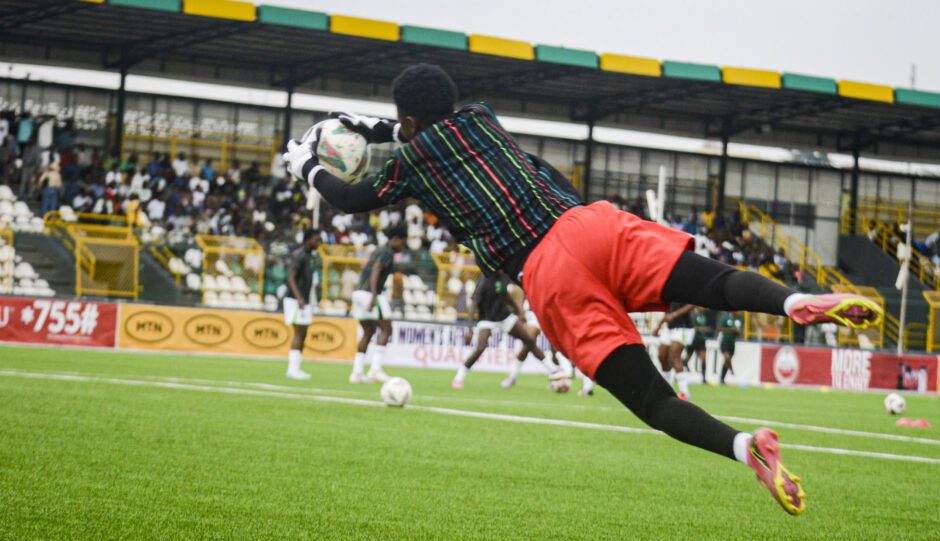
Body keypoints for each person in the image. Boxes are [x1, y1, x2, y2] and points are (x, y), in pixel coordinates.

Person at [284, 63, 882, 515]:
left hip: (550, 273)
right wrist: (354, 126)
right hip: (592, 223)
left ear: (409, 124)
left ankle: (745, 446)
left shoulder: (410, 162)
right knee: (718, 282)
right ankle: (793, 301)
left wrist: (305, 162)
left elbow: (350, 197)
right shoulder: (483, 119)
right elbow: (410, 129)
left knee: (654, 401)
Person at [455, 271, 564, 389]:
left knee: (529, 340)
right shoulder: (483, 280)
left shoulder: (504, 277)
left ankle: (553, 370)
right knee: (481, 347)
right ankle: (459, 377)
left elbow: (505, 296)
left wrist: (518, 311)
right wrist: (470, 329)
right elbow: (474, 304)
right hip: (487, 318)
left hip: (504, 317)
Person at [350, 224, 406, 384]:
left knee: (368, 332)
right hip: (370, 294)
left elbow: (366, 268)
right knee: (387, 328)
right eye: (402, 242)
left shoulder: (378, 250)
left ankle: (357, 373)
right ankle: (375, 370)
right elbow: (376, 269)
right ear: (395, 239)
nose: (402, 246)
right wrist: (374, 296)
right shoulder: (387, 252)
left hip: (359, 293)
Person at [283, 228, 322, 380]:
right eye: (317, 240)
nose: (320, 243)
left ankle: (296, 368)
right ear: (308, 239)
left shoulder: (311, 256)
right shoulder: (299, 255)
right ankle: (292, 369)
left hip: (305, 300)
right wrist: (299, 297)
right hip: (295, 299)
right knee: (299, 332)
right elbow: (291, 277)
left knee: (304, 332)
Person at [654, 303, 694, 399]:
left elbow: (692, 305)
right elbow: (668, 310)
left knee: (674, 357)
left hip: (683, 327)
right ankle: (667, 389)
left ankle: (685, 393)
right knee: (661, 356)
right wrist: (659, 326)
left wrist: (675, 314)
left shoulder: (685, 290)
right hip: (669, 327)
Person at [717, 310, 743, 385]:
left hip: (732, 344)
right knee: (727, 358)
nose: (739, 312)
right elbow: (719, 329)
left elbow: (741, 332)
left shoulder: (739, 319)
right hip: (724, 342)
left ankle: (722, 379)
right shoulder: (726, 318)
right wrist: (731, 330)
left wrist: (738, 331)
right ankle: (731, 369)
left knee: (726, 362)